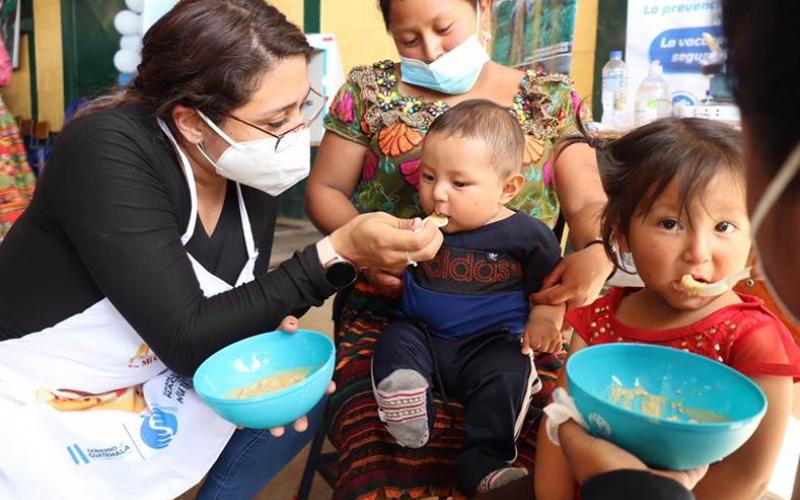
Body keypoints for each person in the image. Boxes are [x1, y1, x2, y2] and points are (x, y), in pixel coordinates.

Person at [0, 1, 443, 499]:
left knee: (305, 392)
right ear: (191, 122)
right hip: (38, 389)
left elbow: (245, 300)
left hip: (151, 371)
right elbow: (189, 339)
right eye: (277, 118)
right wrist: (336, 251)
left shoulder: (246, 166)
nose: (297, 132)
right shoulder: (108, 148)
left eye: (302, 106)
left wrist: (274, 322)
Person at [306, 0, 611, 496]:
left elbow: (590, 203)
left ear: (482, 10)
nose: (429, 50)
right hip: (390, 306)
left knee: (545, 427)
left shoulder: (548, 99)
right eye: (408, 39)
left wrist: (596, 249)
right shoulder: (367, 91)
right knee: (377, 435)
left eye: (444, 28)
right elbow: (324, 190)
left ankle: (489, 468)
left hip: (508, 320)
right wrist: (365, 248)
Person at [535, 117, 800, 500]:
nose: (697, 252)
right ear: (621, 233)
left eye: (724, 226)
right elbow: (560, 425)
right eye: (670, 223)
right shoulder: (599, 320)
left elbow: (748, 477)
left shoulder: (756, 338)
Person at [370, 100, 564, 496]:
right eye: (428, 177)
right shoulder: (414, 226)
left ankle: (485, 463)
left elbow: (551, 288)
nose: (438, 194)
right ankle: (408, 403)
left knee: (508, 371)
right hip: (422, 335)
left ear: (507, 188)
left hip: (491, 341)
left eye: (459, 184)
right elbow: (390, 265)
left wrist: (544, 319)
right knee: (395, 340)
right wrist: (386, 268)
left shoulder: (527, 236)